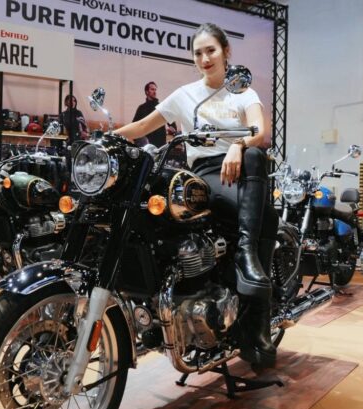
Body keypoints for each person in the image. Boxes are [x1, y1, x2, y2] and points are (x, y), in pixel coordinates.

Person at [114, 23, 278, 368]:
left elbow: (261, 132)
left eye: (211, 50)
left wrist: (238, 145)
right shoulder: (185, 94)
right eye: (198, 53)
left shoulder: (242, 92)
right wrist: (106, 141)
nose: (205, 58)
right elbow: (142, 127)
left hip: (244, 170)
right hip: (205, 174)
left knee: (255, 159)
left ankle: (250, 276)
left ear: (226, 52)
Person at [132, 81, 175, 147]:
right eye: (152, 89)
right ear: (147, 92)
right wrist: (139, 141)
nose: (155, 92)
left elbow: (172, 125)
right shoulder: (141, 108)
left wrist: (172, 129)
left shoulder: (162, 107)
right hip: (146, 146)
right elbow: (134, 126)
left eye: (155, 90)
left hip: (160, 145)